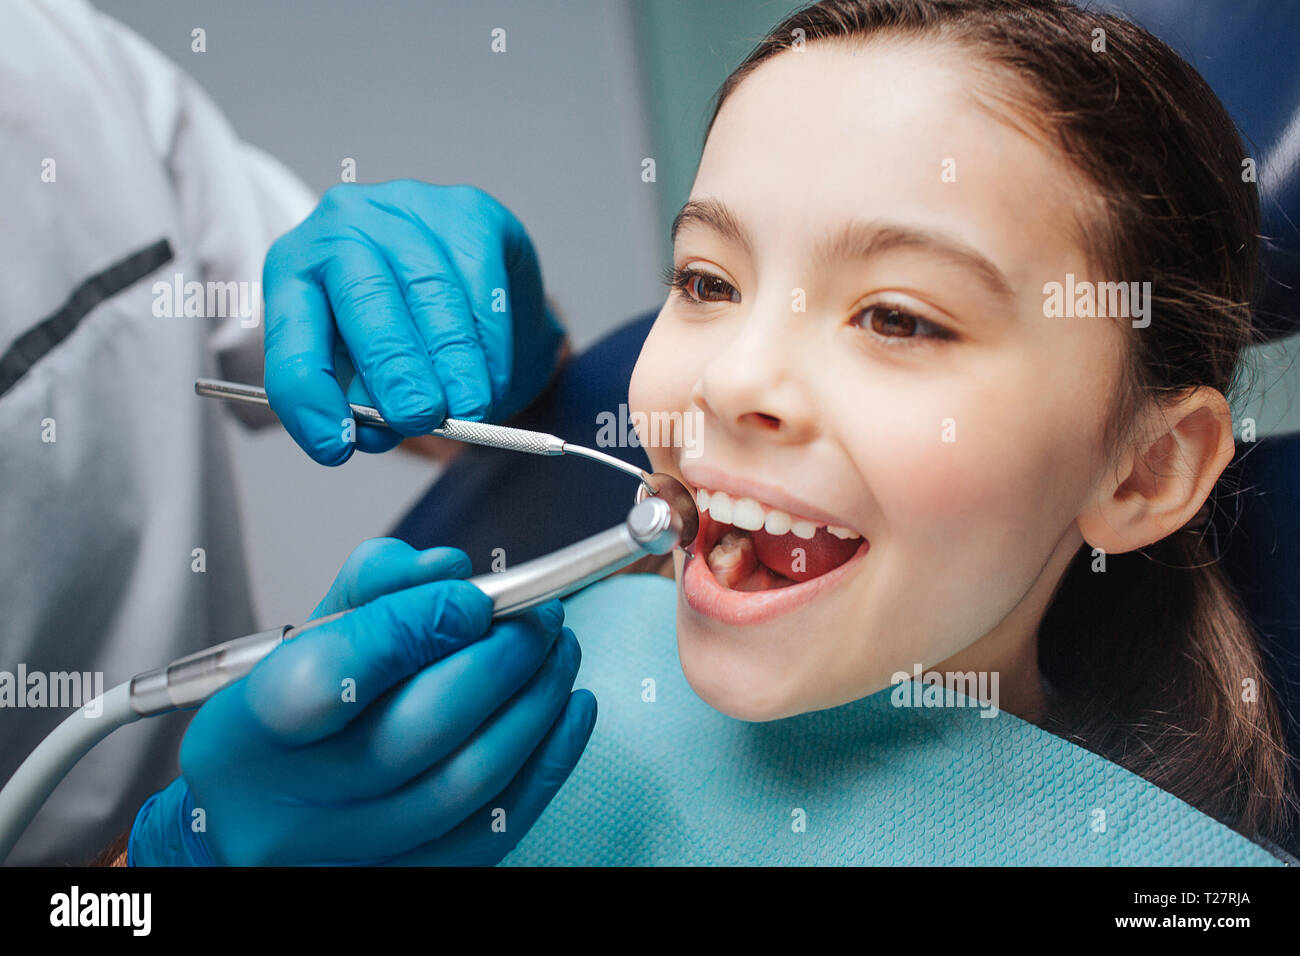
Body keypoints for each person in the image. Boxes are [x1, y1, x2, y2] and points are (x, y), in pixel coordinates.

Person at [265, 0, 1299, 862]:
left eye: (896, 315)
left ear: (1142, 472)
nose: (732, 376)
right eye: (707, 280)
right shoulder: (509, 695)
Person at [1, 0, 589, 866]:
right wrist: (167, 865)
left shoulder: (51, 56)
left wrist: (501, 329)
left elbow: (398, 371)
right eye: (705, 282)